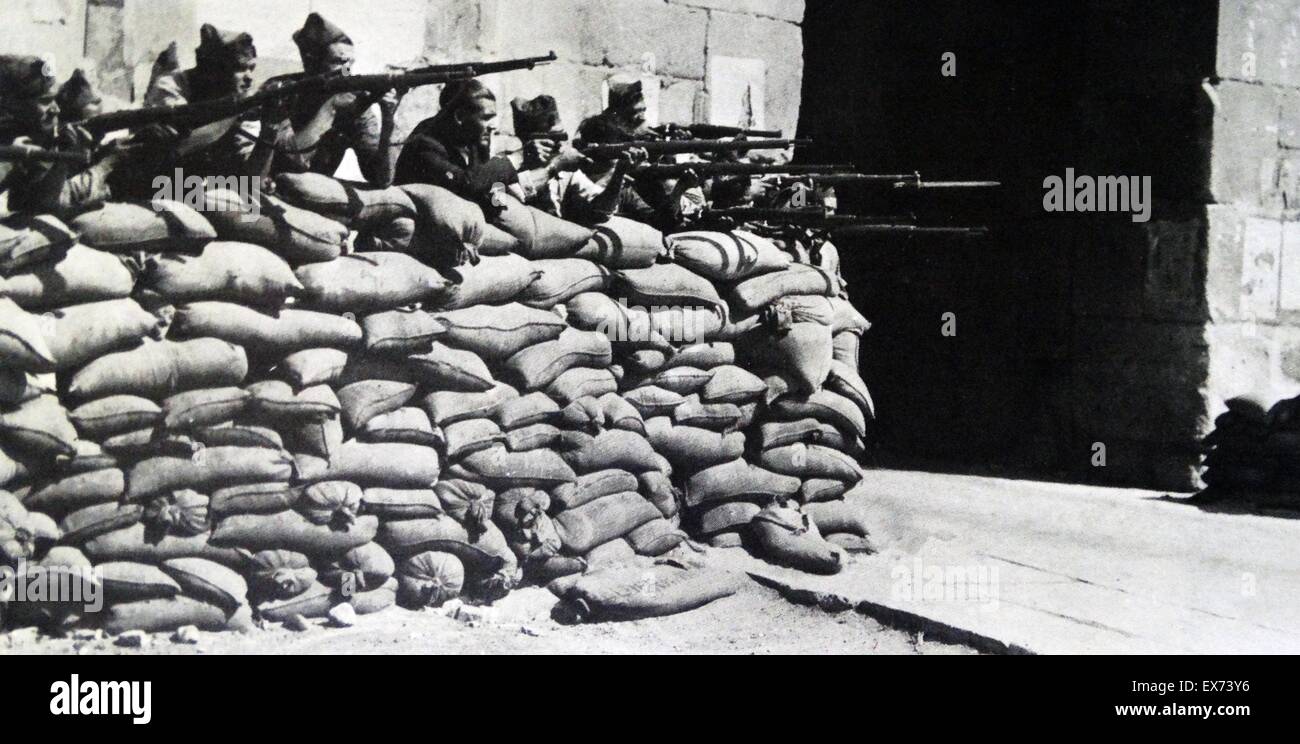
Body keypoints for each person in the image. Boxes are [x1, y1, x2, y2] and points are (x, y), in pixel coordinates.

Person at [121, 24, 284, 195]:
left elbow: (251, 182)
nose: (249, 77)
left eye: (251, 68)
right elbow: (175, 148)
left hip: (199, 190)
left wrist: (271, 126)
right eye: (239, 68)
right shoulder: (171, 86)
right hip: (156, 187)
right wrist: (234, 112)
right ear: (213, 69)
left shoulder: (237, 101)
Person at [269, 13, 403, 185]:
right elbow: (286, 165)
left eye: (350, 63)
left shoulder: (353, 103)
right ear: (312, 63)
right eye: (338, 62)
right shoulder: (282, 92)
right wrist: (330, 109)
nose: (347, 72)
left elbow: (381, 178)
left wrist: (388, 119)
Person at [0, 55, 127, 216]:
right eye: (45, 101)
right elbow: (34, 205)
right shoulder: (13, 142)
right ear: (13, 105)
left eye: (54, 100)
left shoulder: (37, 137)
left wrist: (66, 156)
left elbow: (44, 199)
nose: (56, 109)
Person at [393, 78, 530, 202]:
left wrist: (506, 198)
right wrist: (514, 160)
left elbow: (489, 193)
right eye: (486, 118)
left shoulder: (472, 137)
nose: (493, 126)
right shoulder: (425, 143)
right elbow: (465, 185)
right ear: (460, 116)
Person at [508, 94, 636, 223]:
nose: (561, 145)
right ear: (528, 140)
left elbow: (600, 212)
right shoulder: (505, 167)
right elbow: (504, 197)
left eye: (563, 136)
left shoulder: (565, 172)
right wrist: (553, 168)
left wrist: (618, 175)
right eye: (553, 138)